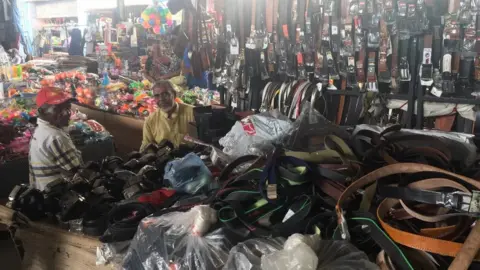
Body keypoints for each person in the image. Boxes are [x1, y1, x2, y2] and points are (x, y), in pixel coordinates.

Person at [29, 87, 83, 191]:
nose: (66, 113)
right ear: (42, 111)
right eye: (57, 109)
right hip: (57, 195)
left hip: (42, 190)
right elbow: (77, 171)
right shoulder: (55, 137)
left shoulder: (40, 130)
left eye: (68, 107)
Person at [140, 81, 195, 151]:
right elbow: (146, 147)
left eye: (165, 94)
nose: (161, 99)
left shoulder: (193, 112)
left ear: (174, 95)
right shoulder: (150, 121)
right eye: (157, 96)